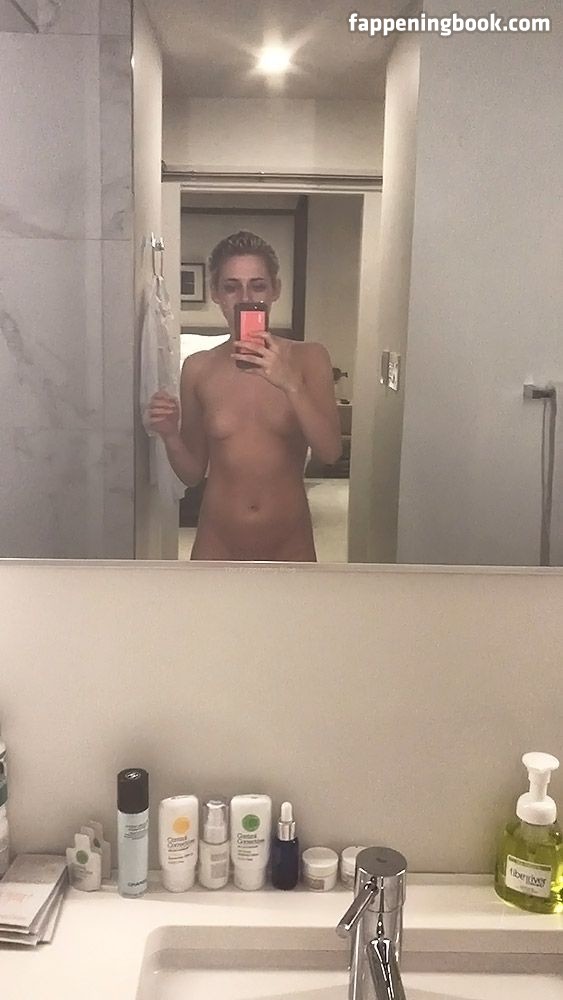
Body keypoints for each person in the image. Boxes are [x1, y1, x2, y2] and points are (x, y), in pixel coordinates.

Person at [146, 230, 342, 561]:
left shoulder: (310, 358)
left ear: (275, 289)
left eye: (258, 285)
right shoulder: (198, 368)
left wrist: (291, 384)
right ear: (216, 294)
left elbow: (331, 452)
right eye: (231, 287)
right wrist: (170, 436)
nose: (245, 297)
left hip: (289, 541)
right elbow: (192, 474)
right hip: (217, 541)